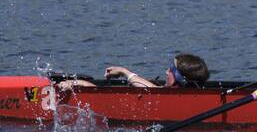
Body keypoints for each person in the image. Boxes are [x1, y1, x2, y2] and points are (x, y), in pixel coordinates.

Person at [57, 54, 210, 91]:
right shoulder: (182, 91)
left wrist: (78, 83)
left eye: (170, 70)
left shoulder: (169, 97)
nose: (166, 71)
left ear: (180, 79)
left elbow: (150, 90)